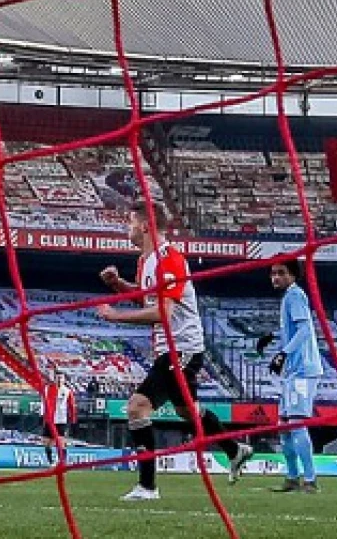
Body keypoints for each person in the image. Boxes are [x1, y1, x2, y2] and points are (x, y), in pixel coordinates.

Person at [97, 210, 252, 502]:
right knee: (187, 412)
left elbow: (162, 313)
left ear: (145, 226)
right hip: (169, 347)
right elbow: (148, 299)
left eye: (130, 222)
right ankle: (235, 450)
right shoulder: (145, 261)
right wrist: (117, 285)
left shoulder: (170, 258)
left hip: (181, 347)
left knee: (137, 407)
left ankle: (147, 487)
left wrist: (116, 316)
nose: (126, 228)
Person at [256, 260, 324, 493]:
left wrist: (283, 353)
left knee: (296, 424)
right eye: (272, 273)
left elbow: (305, 329)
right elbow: (294, 330)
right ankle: (292, 477)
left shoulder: (295, 296)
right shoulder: (289, 297)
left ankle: (310, 480)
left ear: (293, 275)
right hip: (293, 373)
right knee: (283, 427)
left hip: (303, 371)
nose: (275, 277)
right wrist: (273, 336)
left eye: (281, 273)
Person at [42, 369, 77, 455]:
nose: (59, 379)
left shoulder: (67, 391)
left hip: (61, 420)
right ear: (54, 379)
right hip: (49, 420)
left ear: (64, 379)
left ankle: (62, 462)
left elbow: (71, 405)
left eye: (61, 378)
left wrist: (72, 418)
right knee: (46, 443)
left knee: (60, 443)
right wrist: (43, 415)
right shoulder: (47, 389)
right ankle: (51, 462)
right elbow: (43, 402)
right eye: (57, 378)